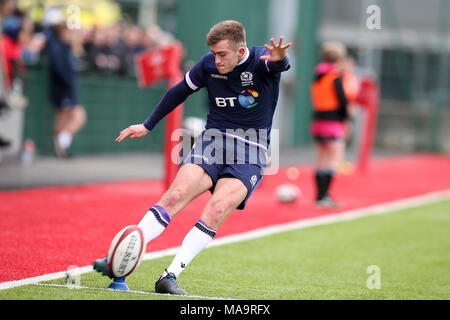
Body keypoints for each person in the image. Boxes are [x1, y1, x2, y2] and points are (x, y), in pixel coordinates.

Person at [93, 20, 291, 295]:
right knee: (174, 197)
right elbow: (178, 91)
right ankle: (120, 259)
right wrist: (147, 124)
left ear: (241, 50)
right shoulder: (208, 64)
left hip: (251, 149)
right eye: (213, 53)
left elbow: (278, 64)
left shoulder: (261, 60)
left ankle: (170, 275)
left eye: (223, 54)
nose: (216, 60)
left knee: (217, 210)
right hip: (213, 140)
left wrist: (282, 58)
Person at [310, 41, 358, 208]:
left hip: (317, 120)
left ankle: (319, 196)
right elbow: (342, 101)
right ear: (339, 59)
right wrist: (347, 119)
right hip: (332, 122)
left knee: (321, 159)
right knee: (334, 160)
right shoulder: (336, 77)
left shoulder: (317, 76)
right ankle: (324, 197)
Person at [44, 16, 86, 159]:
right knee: (70, 117)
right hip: (61, 89)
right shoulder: (56, 46)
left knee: (67, 119)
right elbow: (59, 68)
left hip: (66, 89)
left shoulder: (66, 47)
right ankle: (60, 146)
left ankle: (61, 146)